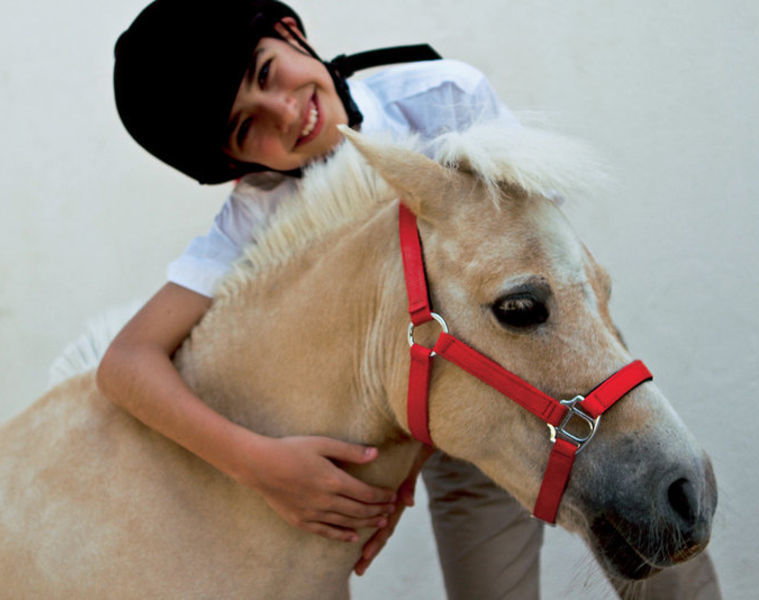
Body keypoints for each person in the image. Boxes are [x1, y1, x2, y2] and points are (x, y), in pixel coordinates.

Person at [102, 1, 722, 598]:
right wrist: (261, 466)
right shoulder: (253, 219)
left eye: (266, 74)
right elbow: (126, 363)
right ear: (230, 161)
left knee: (671, 546)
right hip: (463, 431)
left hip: (559, 359)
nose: (284, 112)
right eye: (246, 126)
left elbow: (546, 259)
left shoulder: (441, 97)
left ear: (290, 31)